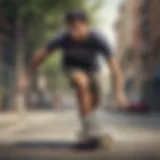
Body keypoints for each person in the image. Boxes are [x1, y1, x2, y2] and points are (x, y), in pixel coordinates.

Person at [18, 9, 128, 150]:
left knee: (93, 103)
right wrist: (25, 75)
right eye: (70, 28)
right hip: (71, 69)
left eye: (76, 27)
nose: (73, 32)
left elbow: (115, 69)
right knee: (82, 83)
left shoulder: (98, 39)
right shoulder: (62, 38)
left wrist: (119, 93)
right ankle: (91, 132)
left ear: (86, 25)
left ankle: (86, 131)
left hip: (93, 71)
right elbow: (40, 56)